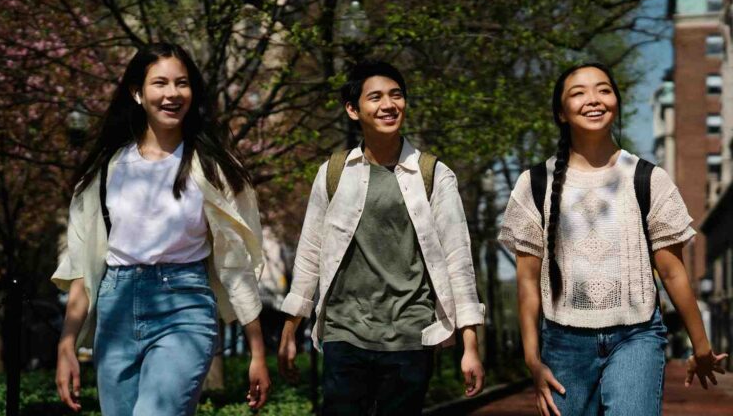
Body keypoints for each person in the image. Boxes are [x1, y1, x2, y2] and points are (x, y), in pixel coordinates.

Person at [498, 63, 728, 416]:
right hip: (562, 343)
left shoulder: (649, 179)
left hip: (636, 336)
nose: (593, 99)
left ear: (617, 102)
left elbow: (673, 273)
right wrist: (533, 360)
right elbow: (528, 282)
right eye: (578, 93)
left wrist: (701, 346)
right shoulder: (535, 185)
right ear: (561, 113)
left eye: (603, 90)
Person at [52, 43, 270, 415]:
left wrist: (257, 351)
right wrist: (67, 343)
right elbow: (83, 266)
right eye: (160, 83)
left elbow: (236, 264)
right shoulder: (107, 170)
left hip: (184, 305)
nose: (172, 94)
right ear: (138, 92)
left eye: (181, 83)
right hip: (116, 305)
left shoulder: (214, 170)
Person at [277, 59, 486, 415]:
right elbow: (311, 250)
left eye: (396, 95)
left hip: (410, 334)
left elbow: (457, 259)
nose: (388, 105)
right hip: (345, 332)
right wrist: (290, 327)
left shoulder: (434, 174)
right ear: (353, 109)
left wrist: (470, 343)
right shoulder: (334, 172)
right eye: (375, 97)